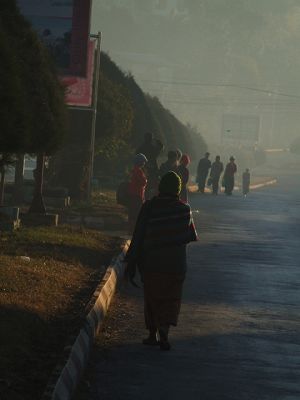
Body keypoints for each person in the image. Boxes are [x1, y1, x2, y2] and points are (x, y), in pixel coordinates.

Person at [124, 171, 198, 350]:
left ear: (160, 187)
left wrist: (131, 262)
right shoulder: (184, 209)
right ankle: (164, 330)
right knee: (171, 299)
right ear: (178, 189)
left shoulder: (149, 207)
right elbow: (189, 236)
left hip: (152, 264)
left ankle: (152, 334)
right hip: (177, 266)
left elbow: (138, 236)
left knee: (152, 298)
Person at [136, 132, 164, 199]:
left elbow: (136, 155)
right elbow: (161, 148)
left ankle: (142, 199)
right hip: (152, 170)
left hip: (142, 168)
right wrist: (158, 141)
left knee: (142, 185)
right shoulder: (153, 148)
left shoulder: (141, 148)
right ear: (151, 139)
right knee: (151, 187)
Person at [128, 153, 148, 234]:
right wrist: (146, 180)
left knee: (132, 212)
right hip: (137, 195)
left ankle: (131, 229)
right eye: (143, 162)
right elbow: (143, 182)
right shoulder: (139, 171)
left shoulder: (134, 170)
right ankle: (134, 230)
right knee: (137, 213)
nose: (144, 164)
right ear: (140, 162)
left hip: (133, 194)